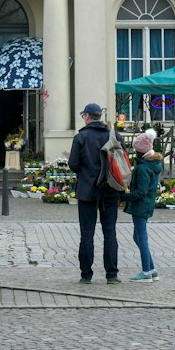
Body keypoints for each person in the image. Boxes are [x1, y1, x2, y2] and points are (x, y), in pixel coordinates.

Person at [66, 103, 121, 284]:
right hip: (110, 189)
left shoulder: (81, 137)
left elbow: (73, 163)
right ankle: (112, 275)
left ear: (87, 117)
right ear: (100, 116)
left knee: (87, 233)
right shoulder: (114, 135)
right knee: (110, 233)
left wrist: (86, 171)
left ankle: (86, 275)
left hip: (87, 190)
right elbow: (122, 162)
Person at [123, 128, 163, 282]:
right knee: (137, 237)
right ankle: (152, 269)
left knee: (142, 237)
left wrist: (124, 196)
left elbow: (141, 191)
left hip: (141, 205)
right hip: (147, 204)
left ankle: (146, 271)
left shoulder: (142, 168)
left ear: (140, 151)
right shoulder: (152, 164)